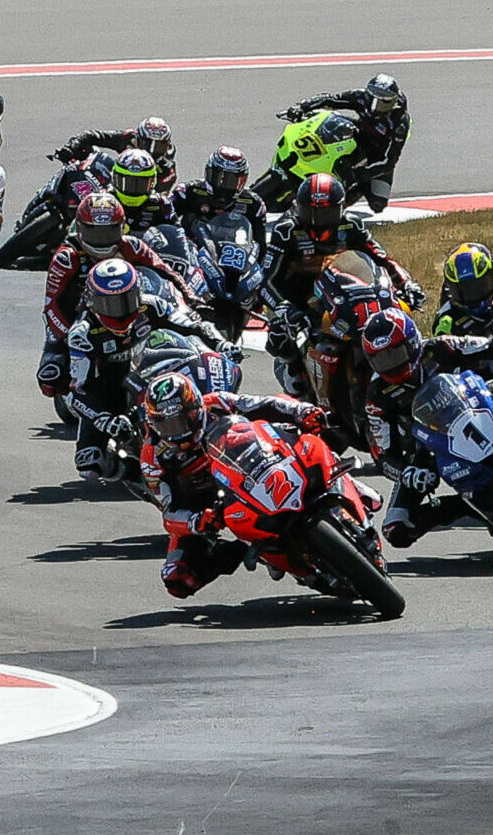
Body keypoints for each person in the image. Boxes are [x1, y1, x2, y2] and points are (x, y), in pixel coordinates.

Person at [356, 308, 493, 548]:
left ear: (412, 343)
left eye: (395, 354)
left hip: (482, 407)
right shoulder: (377, 395)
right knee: (395, 530)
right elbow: (383, 455)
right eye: (381, 359)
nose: (391, 365)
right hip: (432, 446)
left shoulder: (441, 347)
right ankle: (474, 506)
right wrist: (407, 474)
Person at [137, 372, 329, 597]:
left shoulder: (217, 403)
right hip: (211, 503)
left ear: (196, 406)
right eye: (167, 425)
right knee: (176, 578)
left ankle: (340, 486)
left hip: (256, 462)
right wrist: (196, 521)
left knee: (307, 435)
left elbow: (263, 403)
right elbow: (169, 512)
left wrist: (302, 411)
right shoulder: (152, 459)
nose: (176, 431)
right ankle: (246, 550)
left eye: (180, 421)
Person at [65, 259, 235, 481]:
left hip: (153, 373)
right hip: (112, 391)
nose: (121, 311)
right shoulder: (82, 333)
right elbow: (76, 392)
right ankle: (139, 473)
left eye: (127, 300)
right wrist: (106, 420)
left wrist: (221, 343)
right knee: (89, 465)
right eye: (110, 305)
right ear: (92, 302)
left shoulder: (152, 305)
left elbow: (194, 325)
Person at [258, 174, 418, 406]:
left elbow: (381, 259)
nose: (317, 220)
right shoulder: (287, 231)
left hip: (343, 296)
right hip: (299, 302)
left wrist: (407, 284)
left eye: (325, 213)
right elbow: (266, 280)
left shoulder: (351, 225)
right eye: (311, 212)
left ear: (340, 208)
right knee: (283, 339)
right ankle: (297, 380)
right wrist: (286, 310)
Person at [38, 193, 198, 398]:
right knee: (51, 378)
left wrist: (190, 298)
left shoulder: (132, 246)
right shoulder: (67, 257)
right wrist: (69, 336)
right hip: (80, 319)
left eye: (108, 233)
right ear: (80, 228)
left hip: (128, 310)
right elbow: (51, 304)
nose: (102, 241)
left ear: (121, 228)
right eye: (95, 233)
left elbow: (165, 271)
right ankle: (78, 393)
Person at [275, 73, 410, 212]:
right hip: (358, 134)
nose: (375, 107)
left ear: (392, 102)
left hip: (378, 155)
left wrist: (360, 174)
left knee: (378, 203)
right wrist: (301, 107)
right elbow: (330, 99)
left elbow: (389, 161)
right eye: (373, 100)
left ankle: (341, 203)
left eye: (382, 103)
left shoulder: (399, 122)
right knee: (327, 123)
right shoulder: (361, 97)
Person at [51, 116, 178, 193]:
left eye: (158, 146)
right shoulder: (128, 138)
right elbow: (93, 136)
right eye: (147, 143)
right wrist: (71, 148)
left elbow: (160, 198)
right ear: (138, 138)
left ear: (167, 145)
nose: (151, 150)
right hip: (113, 182)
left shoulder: (167, 169)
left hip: (132, 198)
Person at [172, 146, 269, 245]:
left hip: (230, 256)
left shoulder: (253, 204)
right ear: (208, 173)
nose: (223, 186)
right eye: (218, 178)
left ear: (242, 181)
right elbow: (165, 221)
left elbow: (260, 247)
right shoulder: (188, 192)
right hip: (193, 254)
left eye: (231, 181)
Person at [109, 149, 177, 234]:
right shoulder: (105, 202)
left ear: (152, 182)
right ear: (114, 179)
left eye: (140, 183)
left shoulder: (162, 204)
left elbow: (178, 234)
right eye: (128, 183)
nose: (133, 188)